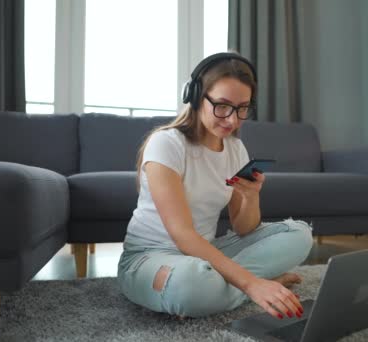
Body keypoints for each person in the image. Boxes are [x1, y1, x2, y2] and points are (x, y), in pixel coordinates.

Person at [117, 52, 313, 319]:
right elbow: (183, 235)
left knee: (300, 235)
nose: (232, 120)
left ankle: (222, 287)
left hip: (206, 254)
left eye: (242, 108)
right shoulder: (166, 144)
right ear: (196, 97)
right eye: (222, 106)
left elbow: (244, 228)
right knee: (190, 286)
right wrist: (251, 283)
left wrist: (251, 197)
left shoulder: (235, 149)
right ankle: (250, 285)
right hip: (149, 258)